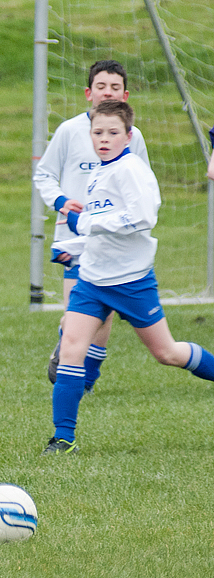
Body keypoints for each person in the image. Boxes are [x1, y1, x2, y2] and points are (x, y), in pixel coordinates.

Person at [42, 100, 214, 455]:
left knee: (167, 353)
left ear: (129, 135)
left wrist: (84, 223)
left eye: (112, 132)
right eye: (97, 132)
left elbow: (142, 218)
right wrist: (73, 248)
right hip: (92, 279)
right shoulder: (99, 172)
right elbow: (101, 231)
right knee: (72, 348)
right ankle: (63, 438)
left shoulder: (131, 169)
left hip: (132, 281)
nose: (104, 139)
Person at [33, 60, 150, 393]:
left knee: (105, 312)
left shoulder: (133, 137)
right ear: (88, 93)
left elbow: (141, 184)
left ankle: (85, 376)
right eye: (101, 87)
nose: (107, 93)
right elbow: (44, 174)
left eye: (114, 88)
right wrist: (60, 202)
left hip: (114, 239)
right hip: (76, 238)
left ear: (125, 96)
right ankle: (71, 361)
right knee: (81, 310)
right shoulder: (70, 131)